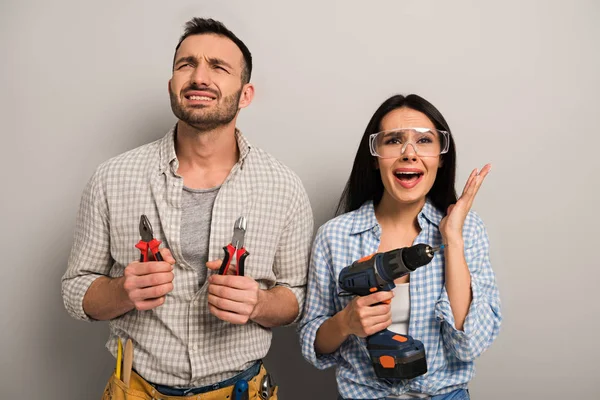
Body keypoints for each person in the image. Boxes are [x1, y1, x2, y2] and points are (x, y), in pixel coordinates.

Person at [62, 17, 313, 399]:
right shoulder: (111, 178)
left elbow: (297, 297)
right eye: (186, 64)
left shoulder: (285, 187)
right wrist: (121, 292)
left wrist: (259, 302)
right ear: (172, 86)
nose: (199, 77)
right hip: (137, 390)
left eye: (218, 67)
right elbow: (74, 290)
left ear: (245, 94)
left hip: (242, 390)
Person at [299, 94, 501, 400]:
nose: (409, 153)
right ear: (375, 156)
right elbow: (312, 343)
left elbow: (470, 343)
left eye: (424, 141)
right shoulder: (335, 236)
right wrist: (346, 322)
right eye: (393, 141)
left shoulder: (467, 230)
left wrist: (452, 238)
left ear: (441, 157)